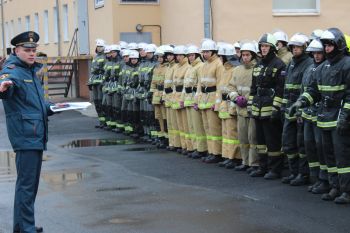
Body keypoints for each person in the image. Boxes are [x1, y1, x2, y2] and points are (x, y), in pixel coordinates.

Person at [0, 31, 57, 233]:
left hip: (34, 133)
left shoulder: (30, 70)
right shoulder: (13, 69)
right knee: (26, 185)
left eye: (34, 50)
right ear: (16, 50)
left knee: (29, 185)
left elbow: (32, 104)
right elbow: (7, 85)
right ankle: (25, 228)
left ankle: (24, 225)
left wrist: (51, 107)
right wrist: (4, 87)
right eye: (27, 50)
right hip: (26, 135)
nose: (32, 53)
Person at [290, 28, 350, 204]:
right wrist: (300, 103)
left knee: (343, 157)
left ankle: (346, 191)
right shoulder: (323, 67)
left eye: (330, 45)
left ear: (338, 45)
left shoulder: (347, 64)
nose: (327, 49)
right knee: (328, 155)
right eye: (325, 45)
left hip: (339, 118)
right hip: (324, 118)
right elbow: (313, 91)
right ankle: (335, 187)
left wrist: (345, 116)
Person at [248, 33, 286, 180]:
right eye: (262, 46)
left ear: (272, 48)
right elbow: (253, 88)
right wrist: (251, 105)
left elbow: (280, 89)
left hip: (270, 110)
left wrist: (276, 108)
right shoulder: (258, 65)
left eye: (266, 46)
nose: (263, 49)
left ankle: (275, 170)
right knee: (261, 141)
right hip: (258, 109)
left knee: (273, 141)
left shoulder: (279, 65)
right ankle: (263, 167)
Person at [281, 33, 313, 186]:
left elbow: (304, 89)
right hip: (289, 108)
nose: (295, 50)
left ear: (304, 48)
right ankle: (294, 173)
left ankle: (303, 175)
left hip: (300, 109)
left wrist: (300, 111)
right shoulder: (292, 63)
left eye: (298, 47)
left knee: (301, 144)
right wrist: (283, 105)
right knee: (288, 142)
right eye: (293, 47)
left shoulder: (308, 64)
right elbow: (287, 87)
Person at [300, 38, 329, 194]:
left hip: (320, 116)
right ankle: (315, 178)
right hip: (307, 115)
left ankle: (324, 180)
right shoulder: (309, 68)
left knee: (321, 148)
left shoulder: (326, 68)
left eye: (319, 53)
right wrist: (299, 109)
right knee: (309, 147)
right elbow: (303, 89)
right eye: (314, 53)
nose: (317, 56)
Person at [229, 42, 259, 173]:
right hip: (240, 109)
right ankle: (245, 161)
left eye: (248, 55)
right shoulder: (237, 70)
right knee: (243, 138)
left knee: (253, 138)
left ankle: (254, 163)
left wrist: (248, 100)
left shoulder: (257, 69)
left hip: (252, 110)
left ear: (253, 55)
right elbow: (231, 87)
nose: (245, 57)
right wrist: (235, 97)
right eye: (243, 54)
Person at [215, 42, 241, 168]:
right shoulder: (224, 70)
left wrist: (232, 107)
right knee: (225, 133)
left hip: (231, 104)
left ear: (227, 57)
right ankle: (227, 155)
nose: (220, 58)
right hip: (224, 104)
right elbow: (220, 89)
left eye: (221, 56)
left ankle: (235, 157)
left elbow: (234, 89)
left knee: (232, 133)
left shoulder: (234, 70)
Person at [198, 39, 223, 163]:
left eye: (207, 52)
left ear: (213, 52)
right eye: (203, 52)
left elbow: (220, 85)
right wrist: (198, 100)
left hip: (212, 100)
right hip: (204, 100)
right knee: (207, 128)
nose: (205, 54)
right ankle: (211, 151)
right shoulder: (204, 65)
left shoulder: (218, 64)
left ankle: (217, 153)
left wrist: (217, 103)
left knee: (215, 129)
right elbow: (200, 84)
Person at [183, 45, 207, 159]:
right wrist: (183, 99)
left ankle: (202, 149)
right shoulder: (189, 67)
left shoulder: (200, 66)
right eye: (189, 55)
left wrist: (197, 101)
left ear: (197, 55)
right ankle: (194, 147)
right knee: (191, 126)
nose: (190, 57)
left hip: (195, 99)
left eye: (192, 55)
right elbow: (185, 85)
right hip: (188, 99)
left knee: (198, 126)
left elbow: (199, 85)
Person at [172, 45, 191, 155]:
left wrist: (182, 99)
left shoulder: (187, 67)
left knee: (186, 125)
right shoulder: (177, 67)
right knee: (179, 124)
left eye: (180, 55)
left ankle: (188, 146)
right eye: (177, 55)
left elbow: (185, 85)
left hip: (182, 96)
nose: (178, 57)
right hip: (175, 96)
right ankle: (183, 145)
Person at [150, 46, 168, 148]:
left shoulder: (167, 68)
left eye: (161, 57)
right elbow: (153, 82)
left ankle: (166, 138)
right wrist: (151, 93)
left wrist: (164, 96)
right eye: (158, 57)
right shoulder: (156, 68)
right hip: (156, 95)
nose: (159, 59)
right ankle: (160, 136)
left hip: (162, 94)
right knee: (158, 117)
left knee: (165, 117)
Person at [88, 39, 106, 128]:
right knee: (97, 102)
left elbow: (106, 71)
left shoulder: (105, 57)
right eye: (98, 46)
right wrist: (90, 82)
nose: (99, 48)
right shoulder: (95, 57)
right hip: (95, 83)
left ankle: (105, 121)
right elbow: (92, 71)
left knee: (101, 101)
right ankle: (101, 121)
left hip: (101, 83)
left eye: (101, 47)